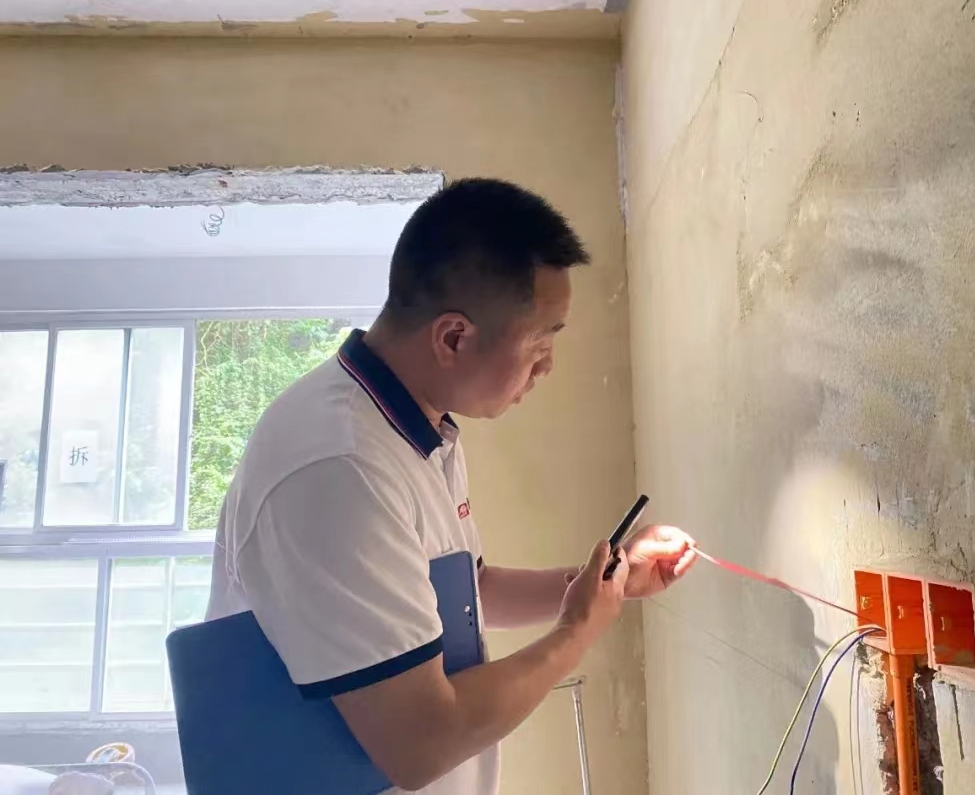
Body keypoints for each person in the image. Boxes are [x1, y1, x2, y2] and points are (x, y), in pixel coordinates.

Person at [205, 178, 697, 793]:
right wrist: (576, 634)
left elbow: (470, 592)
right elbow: (419, 743)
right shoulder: (339, 468)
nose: (548, 365)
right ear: (454, 337)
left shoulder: (420, 429)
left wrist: (607, 581)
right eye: (541, 341)